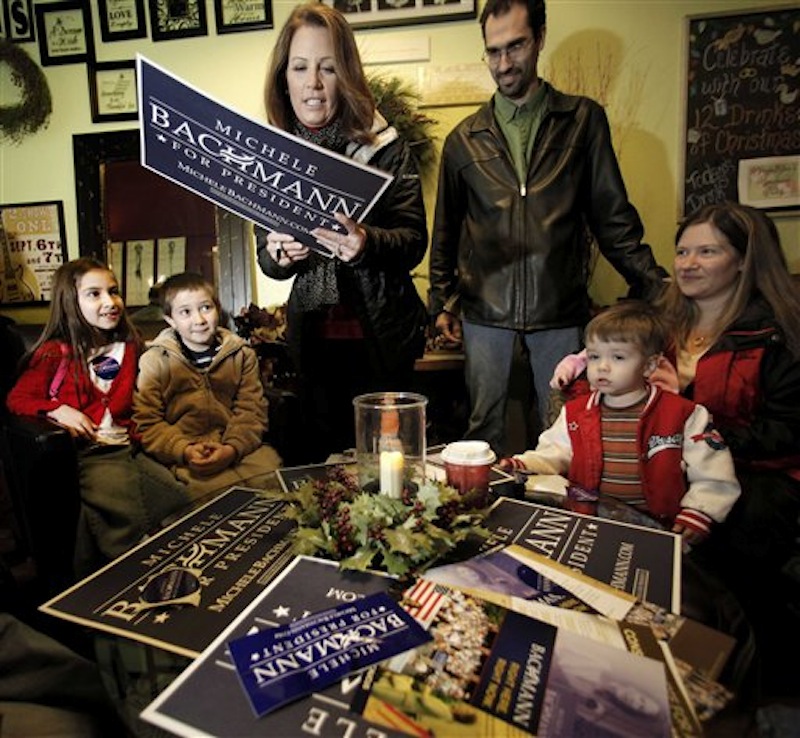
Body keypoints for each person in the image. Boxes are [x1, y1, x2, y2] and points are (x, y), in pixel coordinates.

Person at [551, 202, 800, 696]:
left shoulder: (777, 334)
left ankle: (737, 681)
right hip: (656, 471)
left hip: (756, 481)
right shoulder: (661, 325)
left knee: (724, 539)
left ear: (745, 259)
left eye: (707, 251)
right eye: (682, 250)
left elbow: (785, 434)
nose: (687, 263)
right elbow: (608, 383)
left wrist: (686, 410)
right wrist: (580, 376)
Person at [427, 0, 667, 458]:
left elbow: (612, 215)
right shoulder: (463, 139)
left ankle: (555, 527)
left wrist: (654, 285)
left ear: (539, 37)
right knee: (482, 435)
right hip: (484, 313)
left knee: (564, 429)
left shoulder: (582, 121)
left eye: (515, 46)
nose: (503, 63)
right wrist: (441, 299)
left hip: (559, 307)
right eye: (492, 51)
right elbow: (447, 231)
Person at [256, 2, 428, 462]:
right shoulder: (269, 152)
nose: (313, 83)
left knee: (390, 471)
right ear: (283, 77)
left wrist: (366, 244)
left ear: (346, 74)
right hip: (312, 346)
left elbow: (413, 240)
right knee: (321, 474)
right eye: (300, 67)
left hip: (381, 343)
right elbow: (266, 259)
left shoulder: (385, 145)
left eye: (327, 68)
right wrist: (278, 254)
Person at [500, 301, 741, 545]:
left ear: (649, 365)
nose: (602, 367)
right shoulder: (575, 412)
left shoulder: (683, 414)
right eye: (594, 356)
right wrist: (523, 463)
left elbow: (714, 471)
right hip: (587, 525)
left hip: (659, 532)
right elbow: (555, 452)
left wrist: (700, 511)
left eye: (618, 357)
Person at [5, 258, 189, 577]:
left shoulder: (129, 347)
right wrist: (56, 409)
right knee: (123, 512)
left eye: (113, 291)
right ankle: (133, 575)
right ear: (71, 302)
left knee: (177, 497)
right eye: (94, 294)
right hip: (91, 454)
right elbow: (17, 399)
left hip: (127, 448)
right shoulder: (54, 352)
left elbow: (138, 400)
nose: (109, 302)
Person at [133, 272, 281, 499]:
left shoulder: (241, 354)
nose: (199, 320)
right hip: (186, 456)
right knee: (210, 499)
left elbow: (252, 411)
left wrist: (232, 448)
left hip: (238, 449)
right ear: (170, 320)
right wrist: (183, 449)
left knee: (274, 483)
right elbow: (147, 421)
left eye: (205, 308)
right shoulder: (155, 360)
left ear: (217, 309)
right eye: (185, 312)